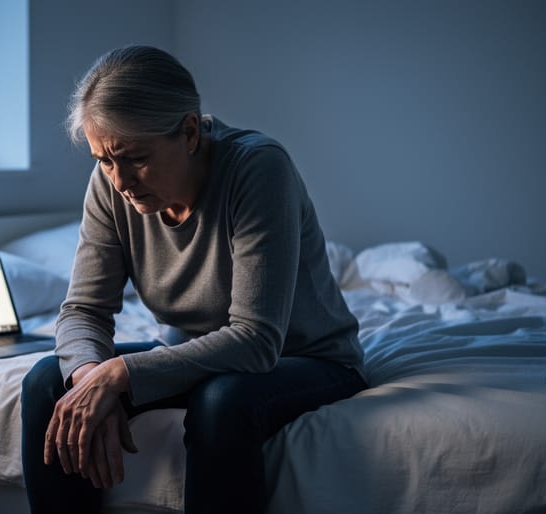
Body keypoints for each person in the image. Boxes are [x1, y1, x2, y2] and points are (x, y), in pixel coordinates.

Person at [20, 44, 367, 514]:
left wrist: (120, 374)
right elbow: (83, 310)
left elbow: (256, 340)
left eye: (135, 157)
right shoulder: (109, 185)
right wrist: (90, 382)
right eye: (104, 160)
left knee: (221, 400)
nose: (120, 181)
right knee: (48, 382)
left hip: (305, 357)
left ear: (188, 132)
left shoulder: (258, 168)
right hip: (195, 356)